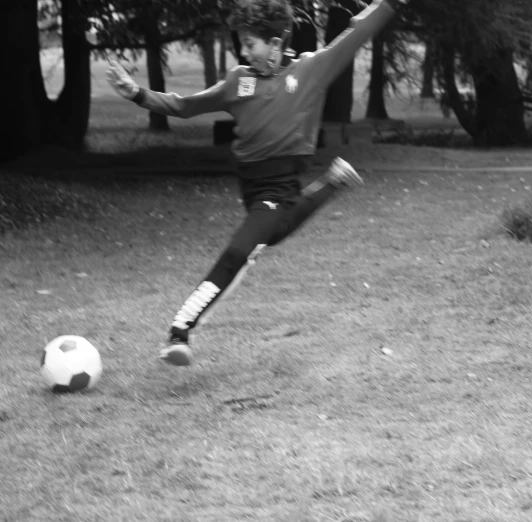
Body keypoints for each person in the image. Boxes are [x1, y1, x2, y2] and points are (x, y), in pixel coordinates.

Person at [107, 0, 396, 366]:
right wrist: (137, 93)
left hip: (279, 185)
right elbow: (185, 106)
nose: (243, 52)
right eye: (241, 44)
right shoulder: (237, 81)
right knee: (272, 232)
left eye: (250, 44)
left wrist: (387, 4)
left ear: (275, 44)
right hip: (252, 187)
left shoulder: (313, 69)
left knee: (238, 252)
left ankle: (180, 331)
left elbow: (359, 32)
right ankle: (333, 182)